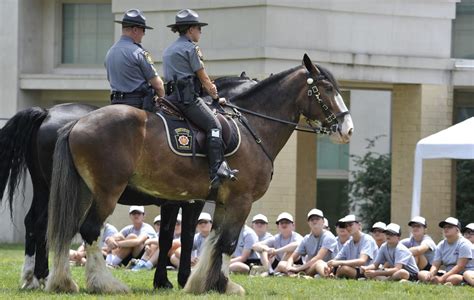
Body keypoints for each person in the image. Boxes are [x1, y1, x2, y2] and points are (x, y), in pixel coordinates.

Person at [162, 8, 237, 188]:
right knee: (215, 125)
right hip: (188, 100)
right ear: (190, 30)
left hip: (171, 98)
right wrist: (216, 96)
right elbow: (203, 78)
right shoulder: (191, 48)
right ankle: (216, 171)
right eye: (198, 28)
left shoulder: (169, 49)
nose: (200, 32)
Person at [105, 8, 165, 111]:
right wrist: (164, 101)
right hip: (137, 106)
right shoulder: (139, 52)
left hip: (115, 104)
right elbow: (158, 85)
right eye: (143, 30)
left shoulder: (110, 52)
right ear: (135, 30)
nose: (144, 34)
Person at [418, 217, 473, 285]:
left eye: (449, 227)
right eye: (444, 227)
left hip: (463, 273)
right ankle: (440, 282)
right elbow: (435, 264)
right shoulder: (441, 244)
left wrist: (442, 278)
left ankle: (462, 282)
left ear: (457, 230)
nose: (446, 229)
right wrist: (431, 274)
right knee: (421, 273)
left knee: (452, 278)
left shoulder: (464, 244)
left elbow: (460, 266)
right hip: (448, 273)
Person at [284, 209, 337, 277]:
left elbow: (318, 258)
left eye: (317, 219)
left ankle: (327, 276)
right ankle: (299, 275)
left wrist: (297, 269)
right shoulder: (306, 238)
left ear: (323, 221)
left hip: (327, 267)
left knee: (319, 263)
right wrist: (289, 267)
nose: (314, 221)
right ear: (308, 223)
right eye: (312, 219)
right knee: (282, 264)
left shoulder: (329, 236)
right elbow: (292, 257)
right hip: (309, 267)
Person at [327, 214, 378, 279]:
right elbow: (336, 259)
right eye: (346, 226)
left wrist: (338, 262)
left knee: (344, 269)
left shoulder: (367, 239)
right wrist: (330, 265)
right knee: (321, 263)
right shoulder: (348, 243)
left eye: (350, 225)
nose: (348, 228)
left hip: (367, 272)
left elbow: (362, 261)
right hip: (354, 270)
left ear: (359, 225)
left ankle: (334, 277)